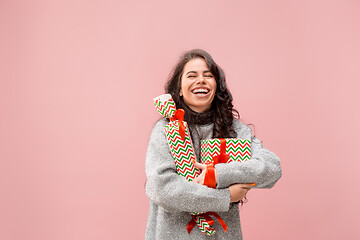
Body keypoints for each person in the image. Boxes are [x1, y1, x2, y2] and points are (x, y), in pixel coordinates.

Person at [145, 49, 282, 239]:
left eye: (208, 75)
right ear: (179, 90)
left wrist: (219, 174)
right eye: (192, 75)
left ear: (217, 87)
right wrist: (225, 197)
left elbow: (272, 168)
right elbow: (163, 188)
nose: (201, 80)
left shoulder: (236, 131)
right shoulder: (165, 130)